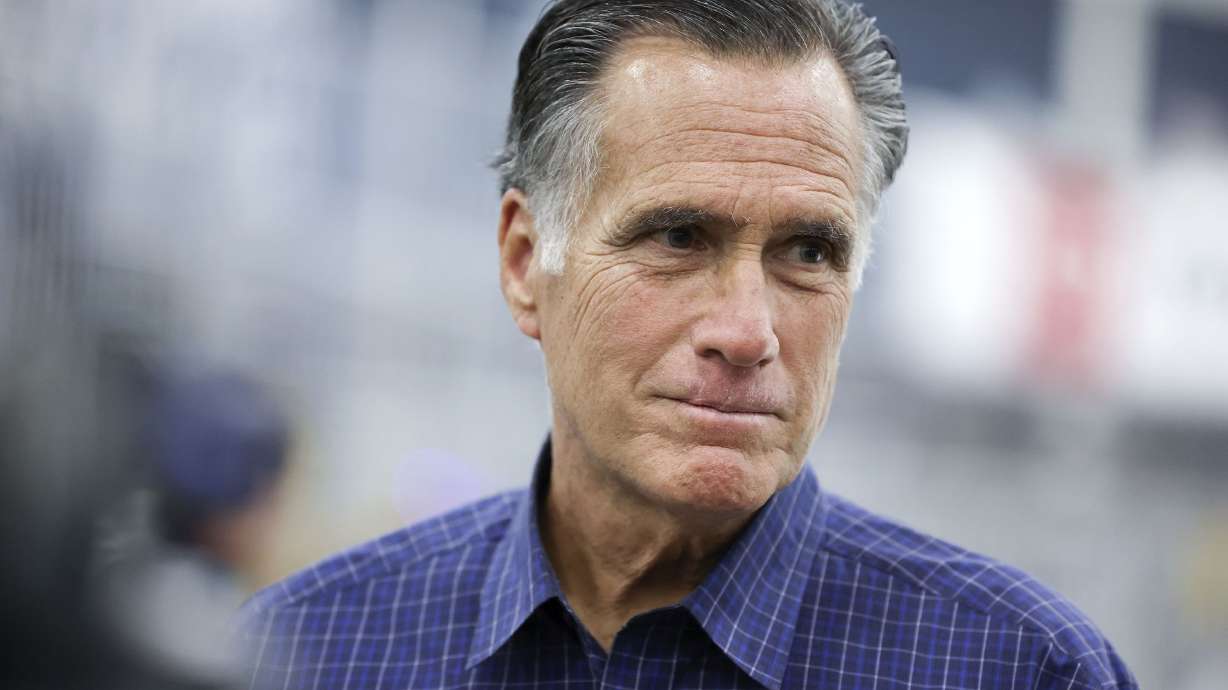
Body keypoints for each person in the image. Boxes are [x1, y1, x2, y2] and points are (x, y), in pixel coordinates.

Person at [240, 1, 1138, 688]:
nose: (746, 332)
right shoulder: (309, 651)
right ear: (525, 262)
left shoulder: (1020, 669)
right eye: (676, 238)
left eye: (809, 252)